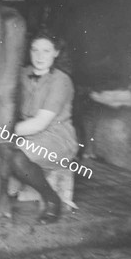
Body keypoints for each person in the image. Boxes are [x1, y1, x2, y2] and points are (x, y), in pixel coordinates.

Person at [9, 30, 79, 224]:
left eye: (46, 51)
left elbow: (41, 123)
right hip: (25, 133)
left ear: (56, 53)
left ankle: (52, 199)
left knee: (15, 158)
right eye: (35, 50)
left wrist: (4, 131)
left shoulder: (61, 81)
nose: (39, 56)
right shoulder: (22, 74)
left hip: (56, 138)